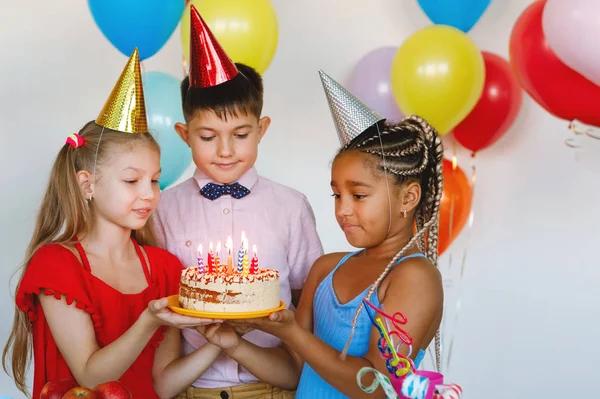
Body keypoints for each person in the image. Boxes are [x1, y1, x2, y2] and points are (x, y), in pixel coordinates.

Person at [199, 71, 445, 398]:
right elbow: (296, 371)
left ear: (409, 198)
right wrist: (234, 344)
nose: (342, 209)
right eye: (336, 195)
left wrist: (291, 331)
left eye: (358, 196)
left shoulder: (415, 277)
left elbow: (379, 387)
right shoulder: (326, 269)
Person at [2, 49, 219, 399]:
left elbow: (162, 385)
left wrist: (221, 342)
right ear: (87, 185)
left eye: (154, 181)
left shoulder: (164, 269)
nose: (149, 194)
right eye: (132, 181)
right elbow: (89, 376)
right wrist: (149, 320)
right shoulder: (57, 266)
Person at [153, 7, 323, 399]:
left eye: (241, 134)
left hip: (272, 386)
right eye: (208, 136)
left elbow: (306, 298)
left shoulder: (291, 207)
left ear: (262, 129)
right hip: (191, 388)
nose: (226, 150)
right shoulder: (161, 209)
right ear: (184, 134)